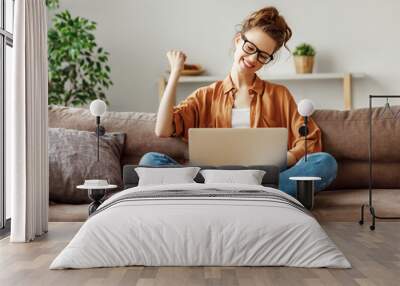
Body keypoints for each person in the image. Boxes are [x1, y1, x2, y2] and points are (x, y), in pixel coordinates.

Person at [139, 6, 337, 197]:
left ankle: (233, 196)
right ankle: (257, 196)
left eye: (263, 56)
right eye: (250, 47)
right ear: (237, 41)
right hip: (211, 177)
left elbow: (309, 141)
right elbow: (162, 130)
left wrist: (287, 157)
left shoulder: (280, 95)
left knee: (325, 162)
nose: (252, 59)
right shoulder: (204, 96)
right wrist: (175, 73)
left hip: (263, 177)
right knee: (150, 161)